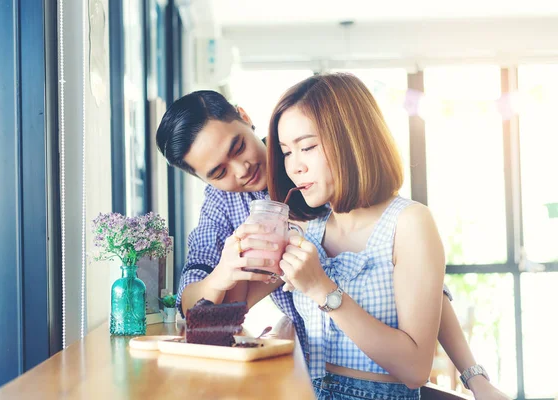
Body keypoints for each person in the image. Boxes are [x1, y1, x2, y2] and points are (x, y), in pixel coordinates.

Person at [155, 89, 510, 399]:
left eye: (238, 147)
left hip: (370, 368)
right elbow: (203, 301)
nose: (242, 168)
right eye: (219, 173)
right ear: (204, 179)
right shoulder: (228, 204)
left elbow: (421, 284)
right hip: (313, 369)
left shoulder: (323, 181)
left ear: (246, 119)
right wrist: (225, 275)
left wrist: (473, 375)